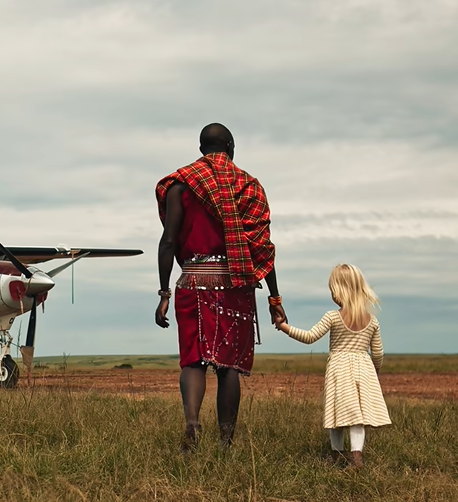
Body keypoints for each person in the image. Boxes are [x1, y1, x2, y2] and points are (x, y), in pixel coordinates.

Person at [155, 123, 286, 451]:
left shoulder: (180, 185)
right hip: (235, 283)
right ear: (230, 147)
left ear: (202, 148)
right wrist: (274, 296)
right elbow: (262, 248)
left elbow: (168, 242)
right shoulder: (249, 186)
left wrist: (163, 293)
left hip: (193, 282)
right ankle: (226, 442)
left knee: (192, 361)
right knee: (228, 366)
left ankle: (191, 425)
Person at [277, 264, 390, 469]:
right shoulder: (372, 321)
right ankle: (357, 458)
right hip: (364, 369)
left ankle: (336, 458)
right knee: (358, 417)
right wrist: (377, 372)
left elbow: (310, 337)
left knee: (337, 415)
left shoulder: (333, 316)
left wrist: (284, 327)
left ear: (339, 290)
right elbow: (379, 353)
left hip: (339, 369)